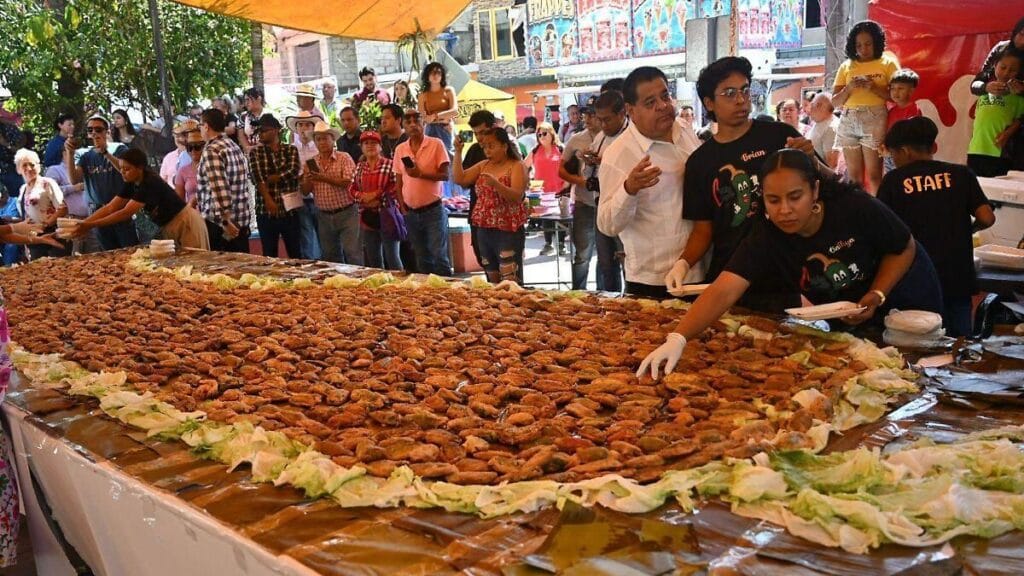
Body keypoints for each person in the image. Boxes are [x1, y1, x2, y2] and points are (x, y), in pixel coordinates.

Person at [640, 149, 943, 379]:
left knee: (918, 375)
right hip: (851, 313)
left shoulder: (853, 205)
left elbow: (904, 247)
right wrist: (678, 338)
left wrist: (877, 294)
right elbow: (724, 289)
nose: (784, 210)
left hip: (903, 297)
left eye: (795, 197)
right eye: (773, 200)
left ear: (815, 190)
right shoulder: (766, 234)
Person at [674, 56, 817, 295]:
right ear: (709, 103)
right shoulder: (700, 163)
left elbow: (827, 189)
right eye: (729, 93)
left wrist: (812, 159)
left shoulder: (781, 136)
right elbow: (702, 230)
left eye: (744, 90)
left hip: (789, 268)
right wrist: (682, 264)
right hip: (731, 274)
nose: (740, 100)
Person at [878, 117, 996, 337]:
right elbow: (987, 218)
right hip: (958, 273)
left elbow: (883, 231)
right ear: (933, 147)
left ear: (904, 151)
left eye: (893, 155)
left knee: (921, 340)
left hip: (916, 276)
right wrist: (969, 229)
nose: (893, 160)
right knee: (960, 341)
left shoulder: (893, 181)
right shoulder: (961, 174)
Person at [597, 66, 702, 298]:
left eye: (665, 96)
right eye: (650, 102)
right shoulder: (618, 154)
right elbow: (606, 224)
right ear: (631, 111)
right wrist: (629, 189)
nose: (663, 106)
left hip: (701, 268)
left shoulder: (684, 130)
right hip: (653, 279)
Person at [73, 148, 209, 250]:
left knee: (196, 263)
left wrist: (90, 225)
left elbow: (125, 212)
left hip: (185, 222)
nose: (123, 173)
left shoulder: (149, 182)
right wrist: (84, 223)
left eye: (127, 169)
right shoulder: (131, 183)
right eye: (121, 169)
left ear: (140, 168)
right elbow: (111, 207)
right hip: (167, 226)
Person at [454, 127, 529, 284]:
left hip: (507, 229)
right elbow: (460, 179)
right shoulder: (483, 165)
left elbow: (516, 196)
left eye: (491, 146)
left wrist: (496, 184)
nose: (487, 150)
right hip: (484, 228)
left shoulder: (516, 166)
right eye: (485, 147)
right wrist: (458, 152)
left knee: (510, 278)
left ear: (504, 146)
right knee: (491, 276)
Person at [832, 20, 900, 194]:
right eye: (858, 45)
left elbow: (897, 96)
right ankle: (858, 214)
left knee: (875, 175)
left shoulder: (888, 63)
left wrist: (874, 87)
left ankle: (878, 214)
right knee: (854, 177)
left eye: (868, 44)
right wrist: (849, 88)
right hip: (848, 118)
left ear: (877, 42)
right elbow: (834, 102)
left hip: (875, 117)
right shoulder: (846, 66)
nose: (863, 49)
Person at [64, 115, 139, 250]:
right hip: (97, 211)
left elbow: (126, 170)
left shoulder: (119, 149)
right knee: (107, 254)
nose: (94, 133)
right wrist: (70, 153)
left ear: (107, 131)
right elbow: (74, 179)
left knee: (130, 251)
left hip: (119, 209)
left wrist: (106, 153)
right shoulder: (86, 155)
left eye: (98, 129)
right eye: (90, 130)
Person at [393, 110, 453, 276]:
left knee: (439, 255)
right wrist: (402, 207)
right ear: (403, 125)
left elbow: (445, 175)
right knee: (421, 257)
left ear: (424, 123)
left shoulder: (436, 144)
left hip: (433, 209)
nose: (413, 124)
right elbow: (399, 180)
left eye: (417, 120)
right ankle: (429, 295)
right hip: (411, 211)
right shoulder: (400, 149)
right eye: (408, 121)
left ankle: (450, 293)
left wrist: (421, 174)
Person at [302, 121, 360, 264]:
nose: (322, 142)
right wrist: (308, 179)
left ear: (333, 139)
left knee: (352, 253)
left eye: (325, 138)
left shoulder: (344, 157)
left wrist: (322, 177)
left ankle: (358, 284)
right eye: (318, 139)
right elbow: (305, 191)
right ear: (314, 141)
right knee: (330, 256)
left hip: (347, 212)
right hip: (323, 215)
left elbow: (348, 182)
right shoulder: (310, 162)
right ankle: (337, 284)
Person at [197, 108, 251, 252]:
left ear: (206, 126)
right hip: (241, 219)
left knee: (223, 271)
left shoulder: (212, 151)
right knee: (243, 269)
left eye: (200, 126)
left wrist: (226, 222)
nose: (200, 130)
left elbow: (220, 189)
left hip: (222, 225)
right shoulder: (233, 146)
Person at [248, 114, 301, 258]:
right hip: (265, 211)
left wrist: (273, 177)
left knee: (296, 252)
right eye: (258, 130)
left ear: (276, 130)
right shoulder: (255, 152)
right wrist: (268, 199)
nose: (260, 133)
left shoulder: (291, 149)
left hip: (290, 210)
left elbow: (293, 171)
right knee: (269, 254)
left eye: (264, 129)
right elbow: (258, 178)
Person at [560, 106, 602, 289]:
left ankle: (607, 294)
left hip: (608, 202)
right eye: (586, 116)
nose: (588, 119)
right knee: (582, 254)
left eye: (593, 115)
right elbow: (560, 169)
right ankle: (579, 292)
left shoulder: (614, 138)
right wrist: (580, 181)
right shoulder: (576, 139)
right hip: (584, 202)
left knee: (607, 256)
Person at [350, 131, 403, 270]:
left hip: (388, 217)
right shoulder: (360, 167)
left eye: (374, 143)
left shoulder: (390, 164)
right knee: (374, 261)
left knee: (393, 258)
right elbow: (351, 188)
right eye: (366, 143)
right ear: (361, 147)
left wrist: (377, 196)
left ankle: (400, 289)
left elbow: (396, 188)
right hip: (367, 218)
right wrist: (363, 197)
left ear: (380, 146)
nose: (370, 146)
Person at [967, 48, 1024, 177]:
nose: (1006, 73)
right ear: (994, 65)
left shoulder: (1017, 96)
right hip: (975, 150)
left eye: (1012, 70)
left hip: (999, 153)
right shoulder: (983, 91)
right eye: (1003, 67)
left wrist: (1008, 134)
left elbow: (1020, 119)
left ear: (1019, 72)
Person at [15, 149, 68, 259]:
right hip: (34, 239)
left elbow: (63, 209)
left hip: (53, 234)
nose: (29, 168)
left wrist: (45, 225)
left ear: (38, 166)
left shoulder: (47, 183)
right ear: (18, 169)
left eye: (32, 164)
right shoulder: (22, 189)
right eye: (24, 165)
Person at [462, 110, 498, 265]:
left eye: (483, 132)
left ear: (494, 127)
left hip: (502, 217)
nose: (480, 138)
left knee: (508, 270)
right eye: (476, 133)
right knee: (485, 261)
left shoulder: (507, 148)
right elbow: (462, 181)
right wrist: (457, 152)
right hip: (478, 215)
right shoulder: (474, 150)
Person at [526, 121, 566, 256]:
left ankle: (561, 244)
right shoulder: (535, 150)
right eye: (539, 134)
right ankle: (548, 243)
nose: (542, 137)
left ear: (551, 134)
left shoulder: (560, 149)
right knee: (545, 218)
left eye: (544, 133)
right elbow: (523, 165)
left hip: (558, 187)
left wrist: (567, 184)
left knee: (561, 216)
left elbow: (568, 167)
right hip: (539, 189)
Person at [287, 110, 323, 260]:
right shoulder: (291, 149)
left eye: (307, 124)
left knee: (323, 234)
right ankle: (311, 267)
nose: (303, 128)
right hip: (300, 197)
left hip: (320, 197)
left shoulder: (320, 146)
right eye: (300, 125)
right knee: (306, 234)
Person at [45, 155, 99, 254]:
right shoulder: (55, 170)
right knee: (74, 256)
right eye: (72, 151)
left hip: (90, 220)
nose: (75, 154)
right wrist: (73, 188)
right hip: (70, 222)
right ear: (64, 152)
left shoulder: (85, 168)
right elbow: (48, 191)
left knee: (95, 255)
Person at [971, 17, 1024, 97]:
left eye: (1012, 70)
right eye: (1022, 34)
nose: (1023, 41)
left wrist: (1022, 92)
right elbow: (975, 85)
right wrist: (985, 87)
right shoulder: (1001, 48)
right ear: (1016, 31)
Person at [417, 62, 459, 155]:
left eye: (438, 73)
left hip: (446, 128)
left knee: (449, 157)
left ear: (442, 76)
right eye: (432, 73)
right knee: (431, 157)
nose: (435, 75)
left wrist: (435, 116)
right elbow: (422, 117)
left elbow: (454, 111)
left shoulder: (449, 90)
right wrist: (439, 118)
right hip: (431, 129)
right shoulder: (422, 95)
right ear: (427, 76)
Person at [808, 93, 842, 170]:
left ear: (819, 105)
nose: (811, 107)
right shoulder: (821, 123)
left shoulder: (831, 128)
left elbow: (831, 163)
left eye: (814, 104)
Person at [174, 131, 203, 206]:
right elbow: (179, 201)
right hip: (192, 213)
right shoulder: (182, 171)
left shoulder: (212, 167)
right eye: (189, 148)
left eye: (197, 147)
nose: (193, 151)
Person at [238, 87, 266, 154]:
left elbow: (269, 137)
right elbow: (241, 136)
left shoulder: (269, 116)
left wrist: (254, 148)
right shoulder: (243, 117)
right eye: (245, 100)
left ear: (259, 99)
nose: (246, 103)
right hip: (249, 155)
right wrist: (248, 149)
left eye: (248, 100)